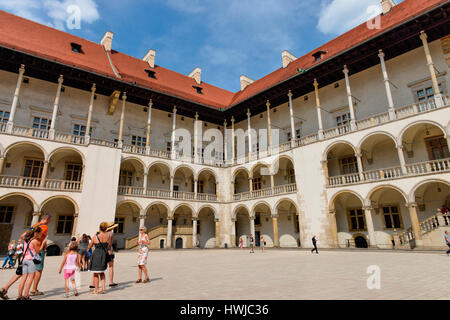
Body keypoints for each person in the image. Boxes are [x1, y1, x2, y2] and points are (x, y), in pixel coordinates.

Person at [17, 227, 46, 300]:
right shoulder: (35, 241)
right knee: (30, 278)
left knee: (23, 279)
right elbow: (39, 251)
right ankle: (26, 296)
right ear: (36, 233)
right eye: (40, 233)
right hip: (30, 261)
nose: (41, 235)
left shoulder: (26, 240)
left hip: (24, 260)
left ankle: (20, 296)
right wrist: (43, 244)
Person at [26, 214, 51, 296]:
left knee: (31, 269)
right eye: (49, 220)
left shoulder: (35, 225)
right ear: (46, 219)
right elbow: (38, 236)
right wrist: (44, 242)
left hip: (31, 249)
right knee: (39, 269)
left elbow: (27, 235)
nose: (49, 222)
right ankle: (34, 289)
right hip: (39, 248)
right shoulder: (44, 227)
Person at [87, 222, 111, 295]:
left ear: (99, 228)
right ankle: (103, 289)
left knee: (96, 273)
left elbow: (90, 245)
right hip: (104, 254)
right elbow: (109, 246)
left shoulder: (96, 236)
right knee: (102, 272)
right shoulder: (108, 236)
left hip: (97, 254)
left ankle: (96, 290)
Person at [106, 222, 118, 287]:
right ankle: (111, 282)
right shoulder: (111, 233)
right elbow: (110, 244)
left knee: (99, 268)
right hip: (109, 250)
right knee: (111, 266)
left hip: (102, 251)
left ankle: (93, 283)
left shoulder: (103, 233)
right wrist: (109, 250)